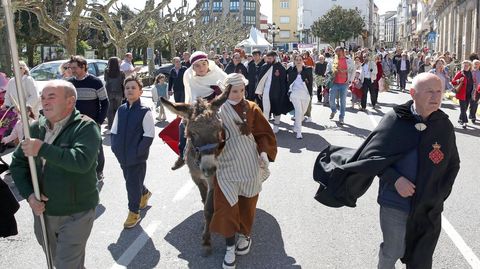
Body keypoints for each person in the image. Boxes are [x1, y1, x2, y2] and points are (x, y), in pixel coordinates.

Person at [313, 73, 460, 269]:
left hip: (428, 205)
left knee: (422, 257)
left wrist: (440, 193)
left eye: (439, 91)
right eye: (429, 92)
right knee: (394, 250)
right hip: (395, 203)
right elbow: (372, 158)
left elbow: (453, 163)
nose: (435, 97)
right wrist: (396, 179)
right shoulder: (395, 119)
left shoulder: (443, 125)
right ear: (413, 93)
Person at [10, 80, 102, 268]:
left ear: (70, 101)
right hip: (43, 213)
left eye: (51, 97)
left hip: (76, 214)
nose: (45, 102)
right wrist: (29, 195)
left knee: (66, 265)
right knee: (56, 262)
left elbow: (81, 161)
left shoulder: (85, 127)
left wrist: (42, 148)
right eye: (43, 97)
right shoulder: (35, 128)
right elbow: (18, 164)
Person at [209, 73, 277, 269]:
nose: (238, 94)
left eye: (241, 90)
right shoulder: (216, 110)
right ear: (225, 90)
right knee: (225, 207)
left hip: (249, 165)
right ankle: (229, 247)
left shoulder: (253, 108)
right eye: (233, 91)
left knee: (248, 204)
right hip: (225, 167)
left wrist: (264, 153)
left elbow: (263, 134)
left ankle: (245, 234)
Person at [111, 76, 155, 228]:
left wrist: (138, 152)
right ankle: (144, 193)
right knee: (132, 180)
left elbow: (149, 135)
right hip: (122, 156)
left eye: (133, 88)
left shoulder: (144, 112)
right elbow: (114, 130)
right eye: (127, 88)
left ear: (140, 91)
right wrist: (115, 148)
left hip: (137, 157)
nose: (130, 90)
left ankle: (133, 212)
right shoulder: (121, 110)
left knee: (131, 184)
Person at [171, 51, 227, 170]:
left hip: (216, 107)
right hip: (198, 108)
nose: (201, 67)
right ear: (193, 67)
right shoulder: (190, 78)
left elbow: (228, 88)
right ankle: (182, 156)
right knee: (182, 125)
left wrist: (218, 93)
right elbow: (191, 97)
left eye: (203, 64)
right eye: (197, 65)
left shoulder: (217, 74)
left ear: (208, 64)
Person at [68, 55, 109, 181]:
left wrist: (99, 121)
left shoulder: (95, 82)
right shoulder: (70, 84)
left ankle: (99, 171)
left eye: (74, 68)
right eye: (71, 68)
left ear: (84, 67)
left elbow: (105, 102)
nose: (72, 70)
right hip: (74, 122)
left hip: (92, 122)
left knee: (96, 147)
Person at [255, 50, 292, 133]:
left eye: (270, 58)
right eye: (267, 58)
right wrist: (260, 91)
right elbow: (260, 80)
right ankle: (265, 127)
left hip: (277, 92)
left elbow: (283, 81)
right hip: (265, 92)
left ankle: (276, 126)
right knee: (266, 109)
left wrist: (283, 93)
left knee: (277, 109)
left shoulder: (281, 68)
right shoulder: (264, 66)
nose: (268, 60)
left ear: (274, 58)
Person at [326, 46, 355, 125]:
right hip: (334, 83)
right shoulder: (333, 61)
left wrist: (350, 81)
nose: (336, 53)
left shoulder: (349, 60)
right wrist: (330, 73)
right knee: (331, 99)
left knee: (343, 101)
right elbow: (327, 71)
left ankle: (341, 117)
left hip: (344, 84)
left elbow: (353, 71)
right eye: (335, 52)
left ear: (342, 52)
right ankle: (334, 110)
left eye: (337, 51)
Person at [287, 55, 313, 139]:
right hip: (294, 93)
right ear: (294, 61)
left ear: (302, 61)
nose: (298, 61)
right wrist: (289, 92)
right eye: (296, 60)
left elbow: (311, 83)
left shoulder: (308, 70)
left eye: (300, 59)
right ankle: (299, 132)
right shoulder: (290, 70)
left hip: (305, 94)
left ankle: (295, 126)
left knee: (302, 113)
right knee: (298, 111)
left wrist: (310, 93)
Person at [451, 60, 475, 128]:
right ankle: (465, 122)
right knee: (463, 108)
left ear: (470, 66)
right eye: (464, 65)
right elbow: (453, 82)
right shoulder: (460, 73)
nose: (465, 66)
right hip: (462, 94)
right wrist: (458, 80)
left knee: (465, 108)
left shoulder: (471, 73)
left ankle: (460, 119)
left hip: (469, 94)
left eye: (467, 65)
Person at [104, 57, 125, 133]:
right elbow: (123, 83)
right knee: (118, 110)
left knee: (110, 111)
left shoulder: (107, 71)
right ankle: (118, 127)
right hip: (119, 92)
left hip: (109, 92)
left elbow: (106, 80)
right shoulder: (121, 72)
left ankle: (110, 128)